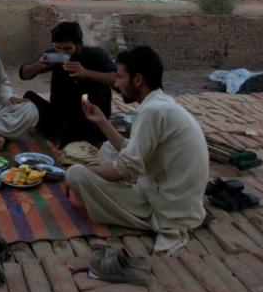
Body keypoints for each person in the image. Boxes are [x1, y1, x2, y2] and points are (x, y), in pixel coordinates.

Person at [65, 46, 208, 255]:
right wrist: (102, 122)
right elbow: (131, 152)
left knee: (75, 174)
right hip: (171, 194)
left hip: (166, 209)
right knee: (107, 148)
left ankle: (131, 208)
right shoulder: (160, 104)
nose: (116, 83)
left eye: (121, 77)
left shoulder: (152, 111)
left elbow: (125, 169)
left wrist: (85, 172)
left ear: (138, 79)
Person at [18, 21, 117, 145]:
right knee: (29, 98)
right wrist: (38, 66)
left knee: (75, 130)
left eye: (67, 49)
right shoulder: (54, 55)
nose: (62, 52)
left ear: (79, 45)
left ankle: (65, 136)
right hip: (60, 115)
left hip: (88, 117)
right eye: (57, 48)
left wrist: (86, 73)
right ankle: (60, 134)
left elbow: (115, 79)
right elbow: (24, 74)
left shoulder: (96, 55)